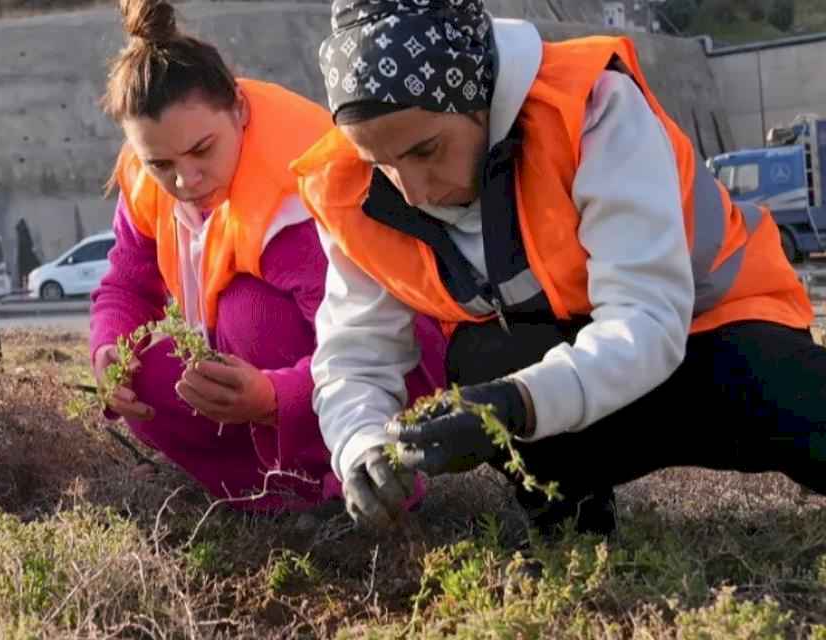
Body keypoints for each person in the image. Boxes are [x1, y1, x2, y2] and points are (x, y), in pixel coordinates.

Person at [293, 0, 826, 536]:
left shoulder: (592, 108)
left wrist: (515, 403)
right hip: (576, 373)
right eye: (381, 165)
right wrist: (360, 445)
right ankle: (570, 522)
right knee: (481, 360)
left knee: (797, 398)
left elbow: (647, 318)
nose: (413, 191)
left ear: (478, 95)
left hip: (716, 335)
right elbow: (355, 356)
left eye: (427, 150)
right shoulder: (348, 189)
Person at [89, 0, 449, 514]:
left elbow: (382, 347)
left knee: (246, 312)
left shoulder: (297, 197)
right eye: (160, 163)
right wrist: (108, 352)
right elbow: (126, 284)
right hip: (264, 385)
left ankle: (356, 481)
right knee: (143, 373)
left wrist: (275, 397)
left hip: (396, 373)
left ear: (239, 110)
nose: (185, 181)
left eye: (202, 150)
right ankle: (270, 497)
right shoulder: (149, 181)